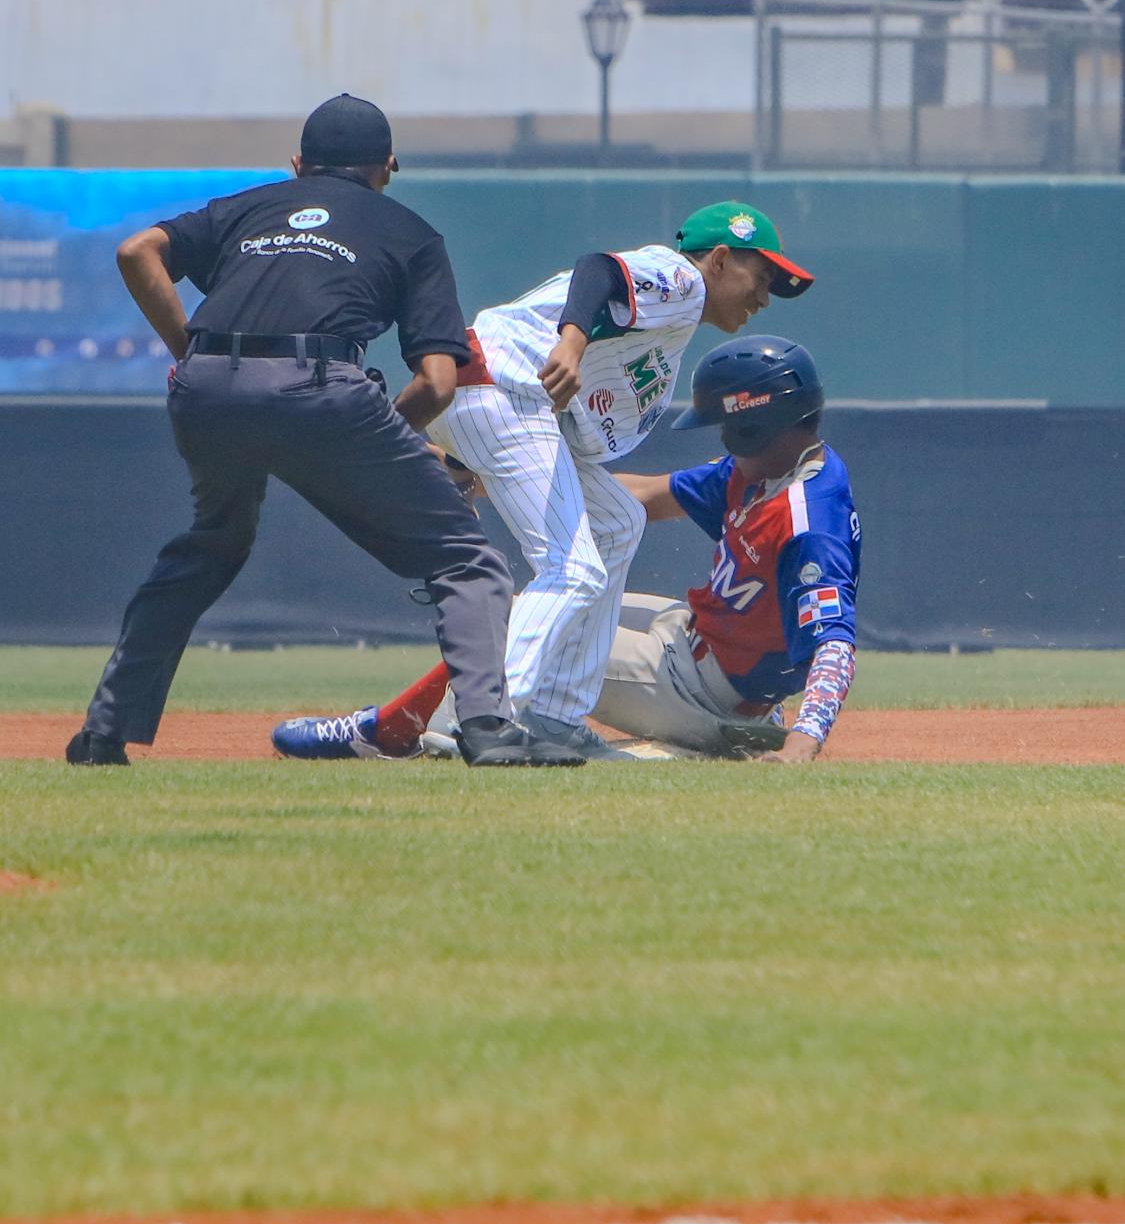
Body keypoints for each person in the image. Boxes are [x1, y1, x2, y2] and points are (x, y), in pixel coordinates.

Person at [66, 93, 577, 770]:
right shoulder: (410, 231)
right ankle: (484, 728)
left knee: (210, 545)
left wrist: (190, 354)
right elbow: (437, 383)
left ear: (298, 164)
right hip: (322, 392)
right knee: (465, 559)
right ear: (388, 166)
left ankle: (104, 732)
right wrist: (378, 448)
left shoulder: (244, 207)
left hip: (208, 391)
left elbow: (137, 251)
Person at [272, 204, 814, 764]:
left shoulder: (666, 324)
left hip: (504, 400)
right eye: (762, 275)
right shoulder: (682, 281)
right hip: (498, 389)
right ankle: (478, 717)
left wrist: (466, 461)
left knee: (617, 522)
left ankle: (556, 716)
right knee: (571, 566)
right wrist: (572, 342)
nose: (765, 296)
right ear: (721, 260)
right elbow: (599, 269)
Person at [593, 334, 861, 762]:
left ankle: (465, 732)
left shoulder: (807, 521)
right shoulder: (768, 471)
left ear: (755, 427)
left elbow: (834, 646)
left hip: (699, 691)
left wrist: (800, 745)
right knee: (556, 606)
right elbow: (643, 494)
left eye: (725, 424)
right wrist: (512, 483)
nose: (722, 436)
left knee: (522, 626)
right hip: (688, 636)